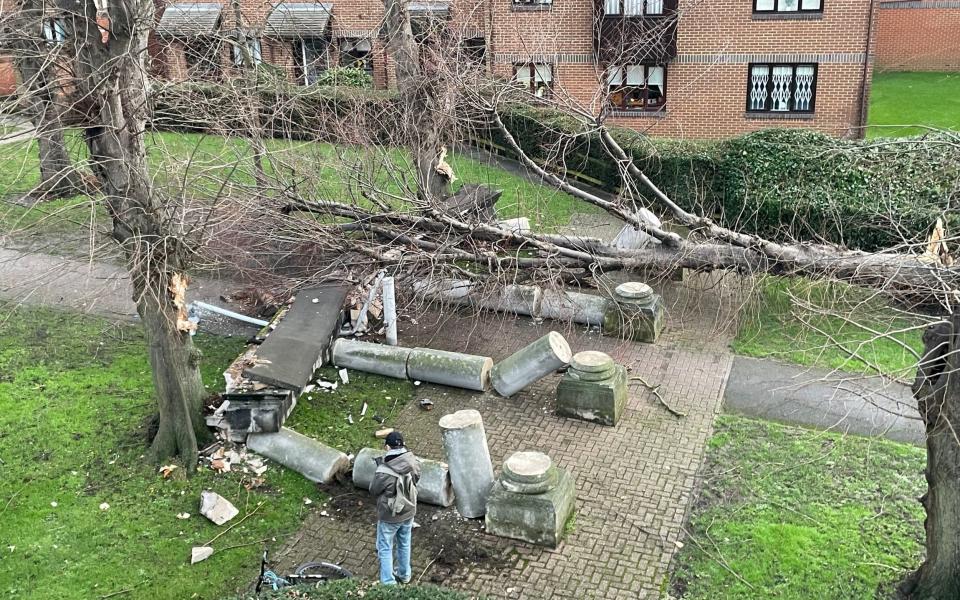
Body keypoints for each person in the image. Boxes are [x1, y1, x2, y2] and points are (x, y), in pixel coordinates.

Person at [369, 430, 421, 585]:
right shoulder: (413, 461)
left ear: (387, 447)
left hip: (390, 514)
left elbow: (373, 490)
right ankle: (404, 575)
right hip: (409, 510)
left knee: (385, 547)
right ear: (403, 444)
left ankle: (388, 583)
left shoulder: (384, 471)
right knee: (404, 542)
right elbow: (416, 478)